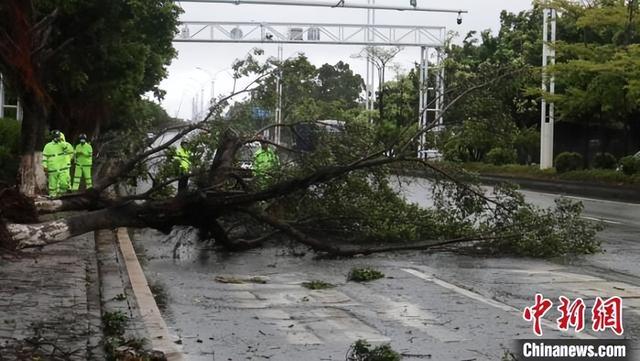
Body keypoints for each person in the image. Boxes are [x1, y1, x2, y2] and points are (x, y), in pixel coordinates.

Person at [42, 130, 73, 197]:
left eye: (58, 137)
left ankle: (62, 195)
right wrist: (45, 166)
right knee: (52, 186)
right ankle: (52, 197)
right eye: (56, 137)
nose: (57, 138)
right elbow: (45, 157)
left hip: (62, 168)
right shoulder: (47, 146)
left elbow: (71, 150)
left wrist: (63, 143)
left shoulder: (63, 145)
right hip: (52, 169)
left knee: (64, 183)